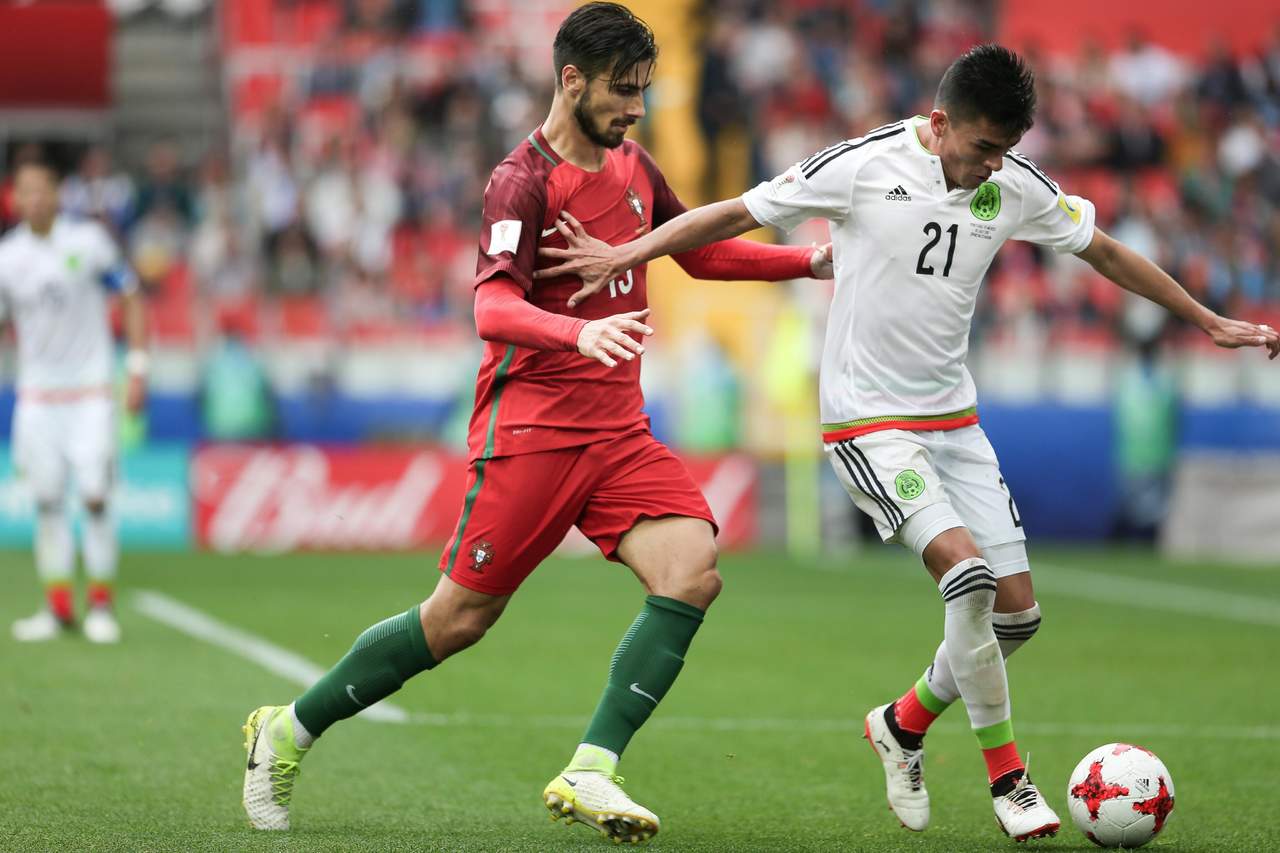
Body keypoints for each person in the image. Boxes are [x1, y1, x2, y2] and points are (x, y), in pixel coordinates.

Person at [534, 44, 1279, 842]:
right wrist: (629, 251)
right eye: (985, 147)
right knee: (969, 579)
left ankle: (903, 720)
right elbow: (735, 213)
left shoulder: (1012, 185)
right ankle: (1010, 777)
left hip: (954, 422)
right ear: (938, 123)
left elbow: (1104, 251)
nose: (995, 166)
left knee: (1018, 619)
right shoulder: (861, 165)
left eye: (1009, 151)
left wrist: (1205, 319)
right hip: (867, 422)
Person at [240, 3, 832, 843]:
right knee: (456, 621)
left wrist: (805, 260)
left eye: (643, 91)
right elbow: (491, 307)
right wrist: (578, 330)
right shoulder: (521, 179)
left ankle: (592, 767)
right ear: (570, 80)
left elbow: (693, 248)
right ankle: (286, 730)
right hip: (533, 433)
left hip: (619, 432)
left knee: (692, 569)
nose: (635, 108)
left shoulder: (633, 164)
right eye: (622, 92)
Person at [0, 159, 149, 644]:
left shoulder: (88, 243)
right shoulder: (8, 256)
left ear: (57, 193)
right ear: (15, 198)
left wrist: (138, 367)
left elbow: (131, 295)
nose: (34, 200)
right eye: (25, 192)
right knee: (46, 502)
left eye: (42, 190)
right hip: (38, 399)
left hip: (90, 394)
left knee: (95, 498)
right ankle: (58, 608)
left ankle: (101, 606)